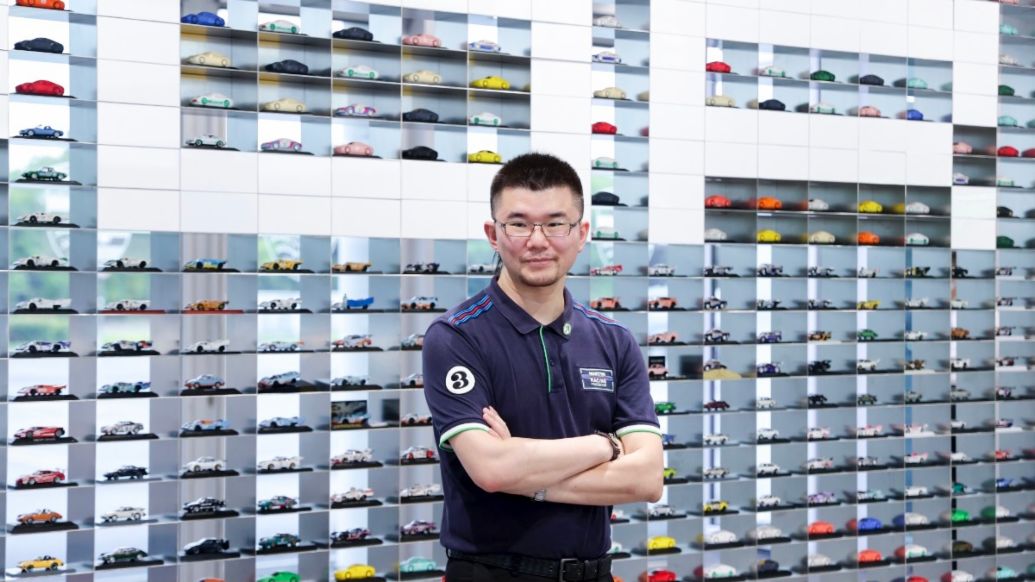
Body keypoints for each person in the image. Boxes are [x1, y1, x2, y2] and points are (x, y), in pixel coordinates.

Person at [422, 153, 663, 582]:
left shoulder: (614, 340)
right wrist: (607, 446)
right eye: (518, 224)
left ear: (581, 233)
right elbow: (492, 470)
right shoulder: (456, 336)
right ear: (493, 234)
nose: (537, 240)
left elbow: (646, 479)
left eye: (556, 223)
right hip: (493, 573)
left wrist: (523, 472)